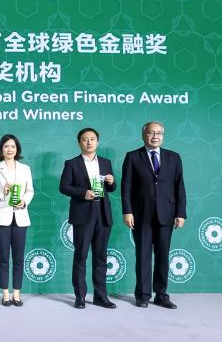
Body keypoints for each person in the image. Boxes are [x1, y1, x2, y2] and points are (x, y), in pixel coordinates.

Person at [121, 121, 186, 309]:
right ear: (144, 135)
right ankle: (142, 295)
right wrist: (127, 211)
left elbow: (179, 186)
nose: (155, 136)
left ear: (163, 136)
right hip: (141, 214)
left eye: (159, 133)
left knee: (163, 256)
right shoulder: (132, 157)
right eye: (151, 133)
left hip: (167, 214)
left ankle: (161, 295)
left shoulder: (174, 157)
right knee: (143, 256)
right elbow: (126, 187)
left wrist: (180, 212)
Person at [59, 128, 118, 309]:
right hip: (83, 215)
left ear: (97, 142)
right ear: (79, 143)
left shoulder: (106, 163)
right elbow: (64, 187)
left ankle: (101, 297)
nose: (89, 142)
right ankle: (80, 297)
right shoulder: (72, 164)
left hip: (103, 214)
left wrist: (112, 182)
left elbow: (112, 188)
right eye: (85, 139)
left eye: (92, 139)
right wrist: (83, 193)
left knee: (101, 257)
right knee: (81, 257)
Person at [0, 134, 34, 307]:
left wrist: (24, 201)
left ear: (17, 149)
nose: (9, 149)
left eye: (12, 146)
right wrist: (2, 192)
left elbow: (30, 191)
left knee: (19, 257)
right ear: (1, 149)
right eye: (6, 146)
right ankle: (5, 293)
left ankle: (17, 293)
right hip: (1, 217)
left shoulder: (25, 169)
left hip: (20, 217)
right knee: (3, 257)